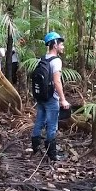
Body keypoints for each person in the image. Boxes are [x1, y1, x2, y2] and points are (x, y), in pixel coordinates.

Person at [31, 32, 70, 161]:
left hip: (41, 96)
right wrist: (63, 99)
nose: (63, 46)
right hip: (51, 98)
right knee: (52, 125)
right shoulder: (56, 61)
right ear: (54, 45)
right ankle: (52, 154)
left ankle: (35, 149)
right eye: (61, 44)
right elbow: (57, 81)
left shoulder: (42, 58)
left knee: (39, 121)